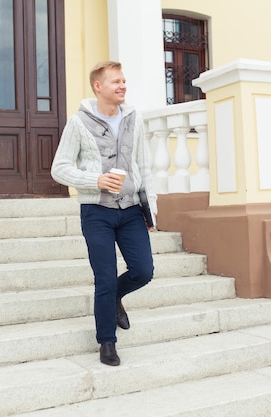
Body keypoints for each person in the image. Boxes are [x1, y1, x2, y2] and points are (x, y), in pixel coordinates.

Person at [51, 61, 157, 366]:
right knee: (105, 278)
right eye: (115, 82)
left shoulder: (134, 119)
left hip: (131, 209)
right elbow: (59, 169)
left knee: (143, 271)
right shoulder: (78, 123)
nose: (122, 86)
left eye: (124, 81)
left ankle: (114, 299)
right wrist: (94, 180)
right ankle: (107, 342)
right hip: (96, 211)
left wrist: (151, 210)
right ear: (98, 86)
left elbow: (144, 166)